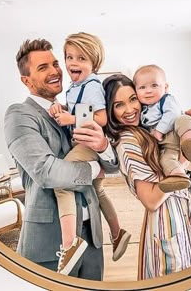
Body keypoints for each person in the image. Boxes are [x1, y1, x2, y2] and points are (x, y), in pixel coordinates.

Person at [4, 38, 119, 281]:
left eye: (55, 63)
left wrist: (103, 146)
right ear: (26, 80)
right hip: (49, 243)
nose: (56, 70)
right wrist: (92, 170)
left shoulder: (73, 111)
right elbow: (46, 172)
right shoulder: (19, 114)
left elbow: (112, 166)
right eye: (42, 67)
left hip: (91, 238)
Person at [102, 74, 191, 279]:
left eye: (133, 99)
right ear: (110, 111)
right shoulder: (127, 142)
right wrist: (177, 167)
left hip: (179, 216)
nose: (129, 109)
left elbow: (185, 168)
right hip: (166, 220)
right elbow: (152, 200)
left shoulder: (147, 131)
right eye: (119, 105)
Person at [49, 32, 131, 274]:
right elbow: (80, 108)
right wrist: (63, 108)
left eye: (81, 58)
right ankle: (117, 233)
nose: (73, 62)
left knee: (61, 183)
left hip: (87, 144)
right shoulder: (75, 87)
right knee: (98, 189)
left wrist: (70, 118)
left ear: (94, 63)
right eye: (69, 57)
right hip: (83, 143)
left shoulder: (92, 85)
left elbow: (101, 117)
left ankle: (70, 245)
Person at [133, 64, 191, 193]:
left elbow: (173, 114)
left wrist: (159, 131)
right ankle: (178, 176)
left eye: (154, 85)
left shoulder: (166, 100)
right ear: (136, 91)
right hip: (167, 146)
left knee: (184, 120)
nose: (148, 90)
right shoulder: (142, 109)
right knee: (165, 159)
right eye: (142, 87)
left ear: (165, 87)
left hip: (178, 133)